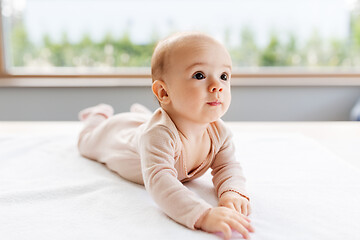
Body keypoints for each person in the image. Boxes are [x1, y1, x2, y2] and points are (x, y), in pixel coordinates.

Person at [77, 32, 254, 240]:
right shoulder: (159, 135)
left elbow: (227, 166)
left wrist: (232, 191)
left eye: (224, 76)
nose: (217, 85)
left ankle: (141, 115)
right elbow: (161, 182)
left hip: (146, 126)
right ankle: (98, 115)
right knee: (86, 142)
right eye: (199, 75)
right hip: (119, 137)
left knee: (145, 122)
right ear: (163, 93)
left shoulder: (219, 132)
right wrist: (203, 214)